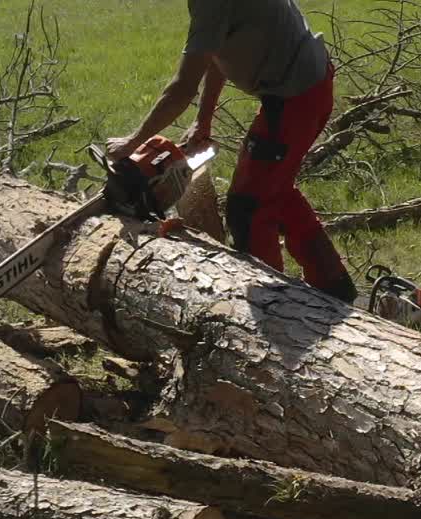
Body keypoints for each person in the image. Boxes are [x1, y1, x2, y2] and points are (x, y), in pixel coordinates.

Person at [107, 0, 357, 303]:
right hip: (307, 84)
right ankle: (334, 286)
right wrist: (203, 120)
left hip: (295, 95)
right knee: (274, 190)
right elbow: (216, 51)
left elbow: (182, 89)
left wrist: (132, 143)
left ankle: (278, 305)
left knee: (247, 207)